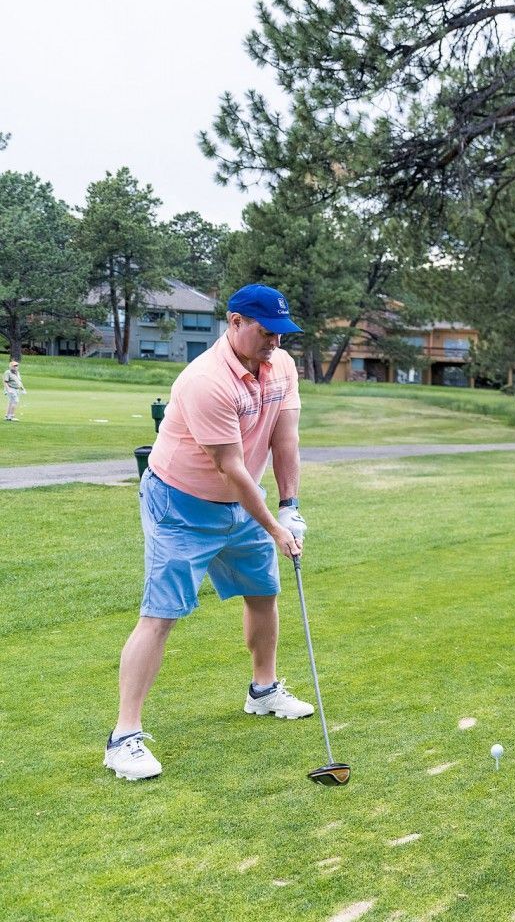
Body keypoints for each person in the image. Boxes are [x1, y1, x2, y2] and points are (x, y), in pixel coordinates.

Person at [105, 284, 313, 781]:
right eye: (266, 333)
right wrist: (273, 527)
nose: (275, 344)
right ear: (234, 322)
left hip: (246, 503)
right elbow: (230, 468)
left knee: (263, 593)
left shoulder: (281, 366)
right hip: (182, 503)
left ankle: (263, 691)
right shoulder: (205, 381)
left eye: (282, 334)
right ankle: (123, 737)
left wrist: (290, 508)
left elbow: (286, 440)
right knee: (161, 613)